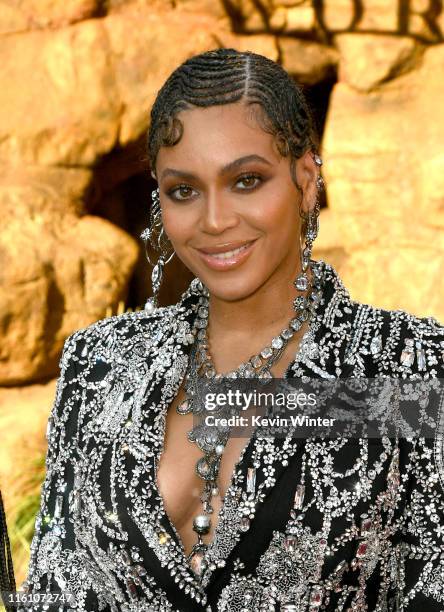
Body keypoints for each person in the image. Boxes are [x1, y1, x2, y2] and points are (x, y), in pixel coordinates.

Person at [20, 48, 444, 611]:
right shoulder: (98, 365)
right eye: (184, 190)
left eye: (247, 180)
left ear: (307, 180)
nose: (215, 220)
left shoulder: (412, 368)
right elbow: (55, 589)